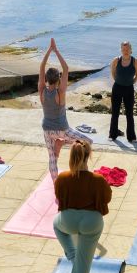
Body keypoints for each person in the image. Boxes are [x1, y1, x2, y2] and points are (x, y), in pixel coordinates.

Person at [53, 139, 112, 273]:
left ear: (71, 156)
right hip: (91, 222)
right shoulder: (98, 180)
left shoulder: (63, 177)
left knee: (56, 226)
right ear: (88, 156)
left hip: (68, 221)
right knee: (84, 260)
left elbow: (58, 196)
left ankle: (72, 255)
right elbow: (107, 198)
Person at [38, 37, 82, 181]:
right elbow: (66, 68)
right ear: (58, 80)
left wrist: (48, 51)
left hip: (46, 129)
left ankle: (56, 186)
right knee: (87, 142)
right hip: (62, 129)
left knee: (52, 158)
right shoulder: (60, 92)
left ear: (46, 79)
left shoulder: (42, 91)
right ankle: (62, 142)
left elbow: (41, 67)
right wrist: (55, 51)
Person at [108, 41, 137, 142]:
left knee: (129, 114)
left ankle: (132, 137)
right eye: (123, 49)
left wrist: (131, 82)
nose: (125, 51)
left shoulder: (135, 61)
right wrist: (119, 81)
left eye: (127, 49)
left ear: (131, 50)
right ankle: (112, 135)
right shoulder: (116, 60)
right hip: (117, 88)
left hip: (129, 89)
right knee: (115, 113)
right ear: (121, 50)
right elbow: (113, 73)